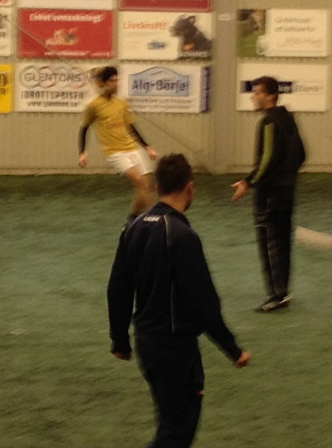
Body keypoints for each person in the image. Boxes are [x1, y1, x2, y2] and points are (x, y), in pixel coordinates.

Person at [107, 154, 251, 447]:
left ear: (157, 187)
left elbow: (118, 289)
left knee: (170, 426)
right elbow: (204, 303)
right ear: (190, 188)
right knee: (176, 434)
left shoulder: (133, 228)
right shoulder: (182, 235)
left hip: (147, 343)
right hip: (174, 350)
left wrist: (120, 340)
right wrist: (232, 349)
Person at [231, 76, 306, 312]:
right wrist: (288, 177)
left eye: (258, 93)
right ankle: (283, 292)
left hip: (269, 196)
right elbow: (302, 154)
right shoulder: (289, 119)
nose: (253, 98)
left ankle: (276, 295)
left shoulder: (268, 122)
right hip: (287, 193)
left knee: (270, 244)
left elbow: (266, 160)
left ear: (271, 95)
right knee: (283, 243)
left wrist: (248, 182)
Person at [78, 66, 158, 222]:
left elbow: (131, 127)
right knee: (139, 181)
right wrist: (82, 152)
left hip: (131, 148)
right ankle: (154, 217)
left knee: (145, 185)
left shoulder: (121, 103)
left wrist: (147, 147)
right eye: (112, 81)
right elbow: (84, 128)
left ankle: (132, 218)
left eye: (117, 80)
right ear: (103, 83)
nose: (116, 84)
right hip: (114, 152)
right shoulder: (93, 106)